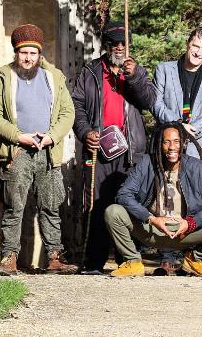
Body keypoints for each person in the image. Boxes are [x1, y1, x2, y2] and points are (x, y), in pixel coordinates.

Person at [0, 24, 76, 274]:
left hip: (47, 151)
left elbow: (67, 112)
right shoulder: (4, 77)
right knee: (14, 206)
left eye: (32, 53)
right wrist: (18, 136)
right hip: (18, 151)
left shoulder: (54, 77)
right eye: (23, 53)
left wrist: (51, 137)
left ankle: (55, 257)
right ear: (16, 53)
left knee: (51, 205)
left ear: (40, 54)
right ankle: (9, 258)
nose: (28, 58)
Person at [71, 21, 155, 273]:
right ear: (105, 45)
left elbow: (149, 101)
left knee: (128, 203)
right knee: (96, 204)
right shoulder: (91, 72)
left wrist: (135, 77)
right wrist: (85, 133)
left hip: (130, 151)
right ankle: (94, 261)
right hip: (100, 149)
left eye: (123, 43)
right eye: (114, 43)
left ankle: (128, 259)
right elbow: (77, 106)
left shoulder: (136, 71)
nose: (119, 48)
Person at [104, 123, 202, 277]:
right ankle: (133, 261)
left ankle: (194, 260)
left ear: (184, 143)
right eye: (166, 141)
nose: (171, 147)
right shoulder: (147, 163)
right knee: (113, 212)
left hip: (186, 232)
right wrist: (151, 218)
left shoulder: (198, 167)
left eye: (176, 141)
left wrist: (190, 223)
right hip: (152, 230)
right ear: (159, 144)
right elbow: (123, 194)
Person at [153, 27, 202, 169]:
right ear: (187, 43)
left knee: (198, 191)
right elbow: (156, 103)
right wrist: (178, 126)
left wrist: (192, 130)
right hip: (167, 147)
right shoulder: (164, 70)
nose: (198, 53)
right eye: (196, 46)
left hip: (200, 148)